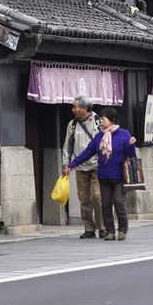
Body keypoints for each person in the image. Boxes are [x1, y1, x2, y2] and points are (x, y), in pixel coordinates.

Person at [65, 107, 136, 241]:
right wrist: (71, 164)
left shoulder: (123, 134)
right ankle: (110, 231)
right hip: (104, 176)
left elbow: (130, 155)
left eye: (103, 119)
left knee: (119, 202)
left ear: (112, 120)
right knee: (106, 204)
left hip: (120, 176)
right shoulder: (99, 137)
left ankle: (122, 229)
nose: (101, 121)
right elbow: (87, 153)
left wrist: (131, 145)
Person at [61, 94, 103, 239]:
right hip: (80, 167)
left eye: (75, 107)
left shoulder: (98, 122)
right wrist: (66, 164)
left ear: (85, 108)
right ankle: (89, 228)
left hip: (97, 165)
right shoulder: (72, 124)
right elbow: (67, 145)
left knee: (97, 196)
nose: (73, 109)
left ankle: (101, 226)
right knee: (84, 198)